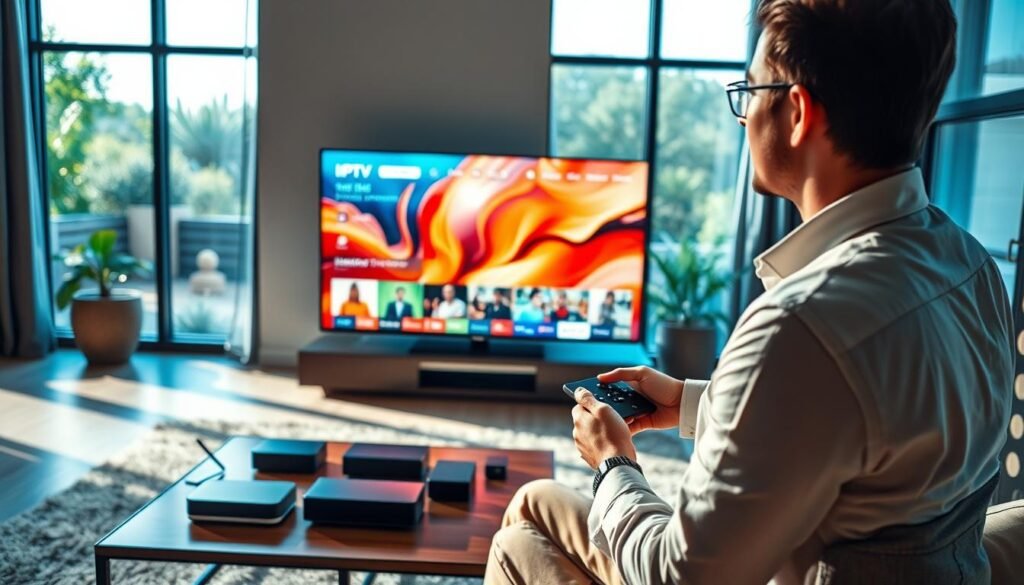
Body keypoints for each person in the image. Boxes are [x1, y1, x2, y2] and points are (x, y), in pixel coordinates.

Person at [484, 1, 1015, 584]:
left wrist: (614, 464)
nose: (742, 117)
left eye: (748, 91)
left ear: (796, 112)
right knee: (533, 502)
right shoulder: (971, 265)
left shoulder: (799, 326)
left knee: (516, 545)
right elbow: (856, 422)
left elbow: (679, 575)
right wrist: (691, 403)